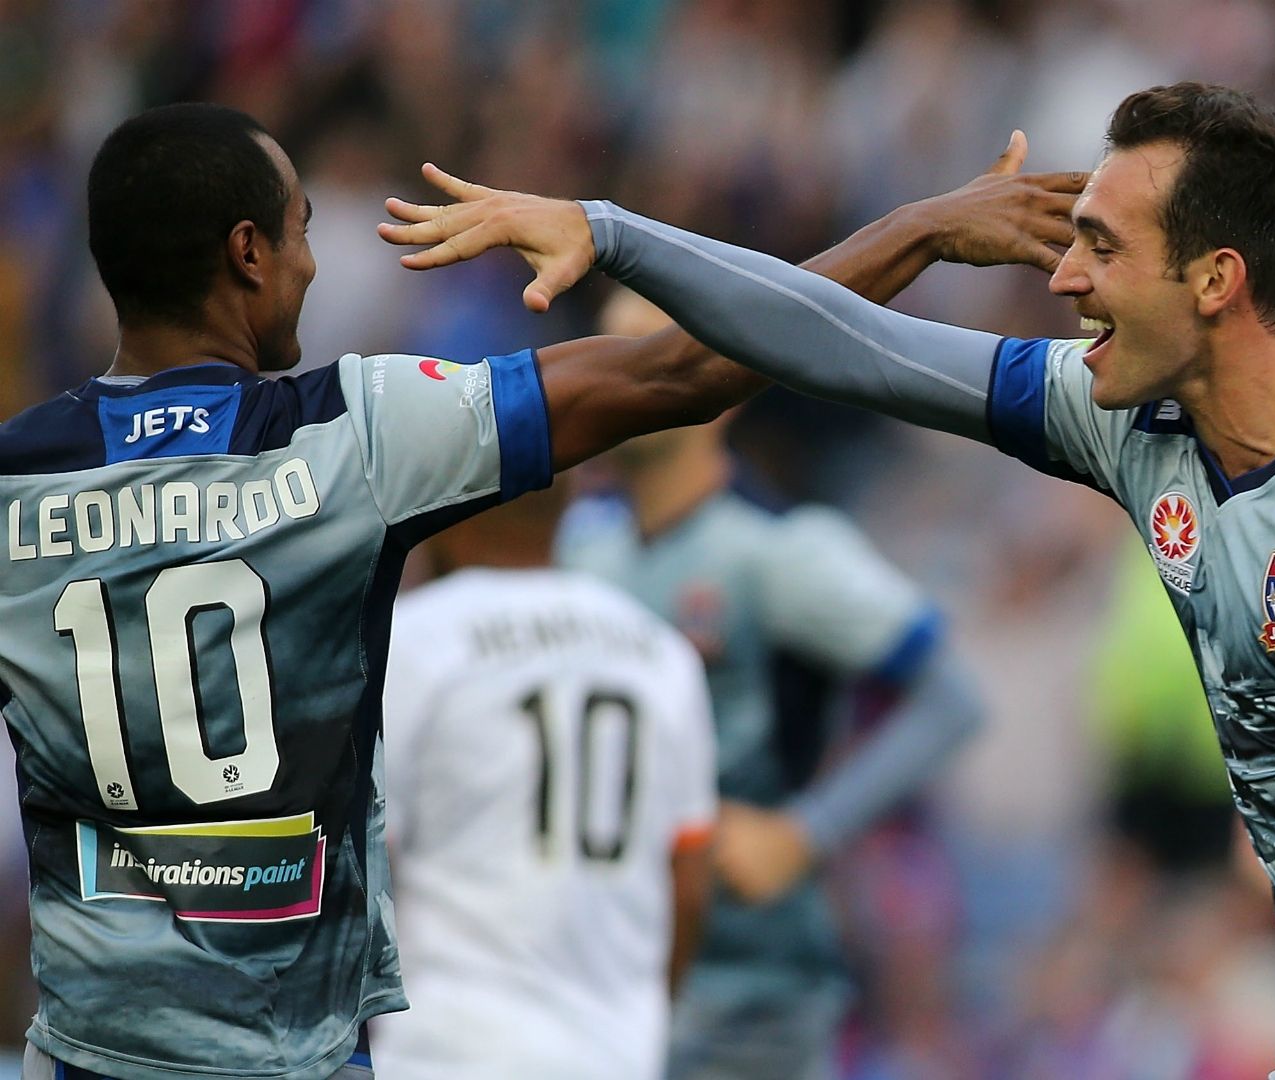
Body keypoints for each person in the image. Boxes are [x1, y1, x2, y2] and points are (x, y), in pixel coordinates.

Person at [381, 81, 1275, 1080]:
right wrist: (612, 233)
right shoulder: (1130, 420)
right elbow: (844, 347)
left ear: (1215, 280)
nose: (1062, 279)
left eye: (1100, 247)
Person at [0, 101, 1080, 1080]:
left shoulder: (13, 483)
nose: (312, 266)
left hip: (92, 1053)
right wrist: (922, 233)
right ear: (247, 253)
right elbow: (686, 371)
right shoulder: (351, 437)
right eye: (300, 230)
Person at [559, 294, 984, 1080]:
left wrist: (806, 831)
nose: (622, 380)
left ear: (717, 382)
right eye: (609, 359)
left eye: (648, 354)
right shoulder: (580, 548)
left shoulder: (784, 553)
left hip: (748, 992)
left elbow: (953, 701)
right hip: (601, 976)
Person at [371, 479, 717, 1080]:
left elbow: (359, 872)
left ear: (442, 516)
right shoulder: (663, 653)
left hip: (444, 1048)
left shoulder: (411, 639)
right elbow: (688, 882)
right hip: (616, 1053)